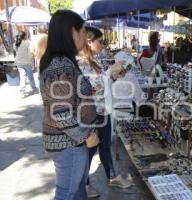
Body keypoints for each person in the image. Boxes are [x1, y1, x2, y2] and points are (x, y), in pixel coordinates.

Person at [39, 10, 100, 200]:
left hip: (69, 142)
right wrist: (84, 137)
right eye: (83, 32)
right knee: (67, 194)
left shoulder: (62, 62)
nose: (85, 37)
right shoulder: (60, 65)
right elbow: (61, 112)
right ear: (73, 32)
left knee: (77, 192)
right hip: (69, 144)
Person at [77, 26, 130, 198]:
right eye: (100, 41)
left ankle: (112, 176)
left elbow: (102, 84)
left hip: (102, 111)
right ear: (89, 41)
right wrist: (110, 72)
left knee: (105, 146)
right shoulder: (82, 63)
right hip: (93, 114)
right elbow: (91, 88)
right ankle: (83, 184)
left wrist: (114, 75)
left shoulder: (93, 60)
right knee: (90, 150)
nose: (103, 45)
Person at [14, 31, 38, 98]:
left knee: (22, 77)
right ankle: (34, 89)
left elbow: (15, 54)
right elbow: (30, 55)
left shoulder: (15, 44)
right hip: (27, 63)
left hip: (19, 63)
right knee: (30, 77)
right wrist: (33, 64)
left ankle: (22, 92)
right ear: (24, 36)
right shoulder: (27, 43)